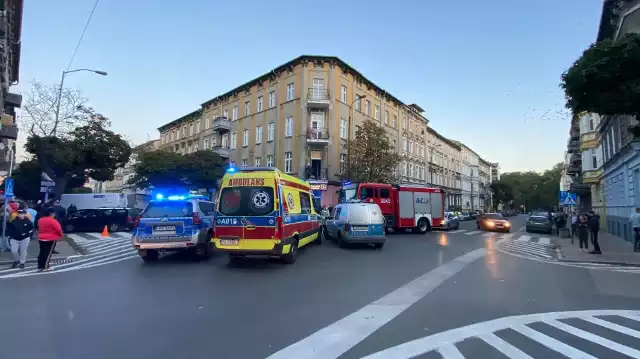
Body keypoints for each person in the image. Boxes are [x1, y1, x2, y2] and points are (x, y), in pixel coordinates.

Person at [36, 207, 64, 272]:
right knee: (48, 253)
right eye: (54, 214)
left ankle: (40, 266)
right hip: (51, 238)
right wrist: (60, 235)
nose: (54, 215)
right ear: (51, 214)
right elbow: (58, 229)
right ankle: (46, 267)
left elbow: (38, 227)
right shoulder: (53, 221)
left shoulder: (40, 220)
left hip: (41, 238)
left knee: (42, 252)